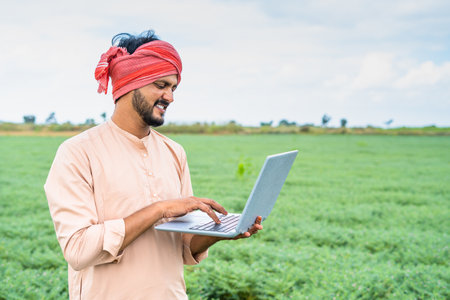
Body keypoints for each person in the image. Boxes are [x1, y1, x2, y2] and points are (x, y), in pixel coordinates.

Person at [44, 30, 262, 299]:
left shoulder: (174, 152)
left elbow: (183, 246)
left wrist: (222, 232)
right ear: (129, 82)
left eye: (173, 87)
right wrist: (159, 209)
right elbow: (78, 251)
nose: (170, 97)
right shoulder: (77, 153)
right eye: (160, 85)